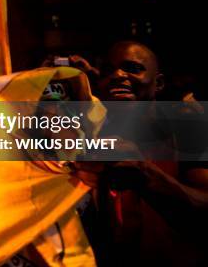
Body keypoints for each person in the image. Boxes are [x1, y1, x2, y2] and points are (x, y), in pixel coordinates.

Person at [69, 41, 208, 265]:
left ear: (158, 83)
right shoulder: (93, 133)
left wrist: (145, 176)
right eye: (107, 71)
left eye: (133, 68)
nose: (117, 75)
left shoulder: (187, 127)